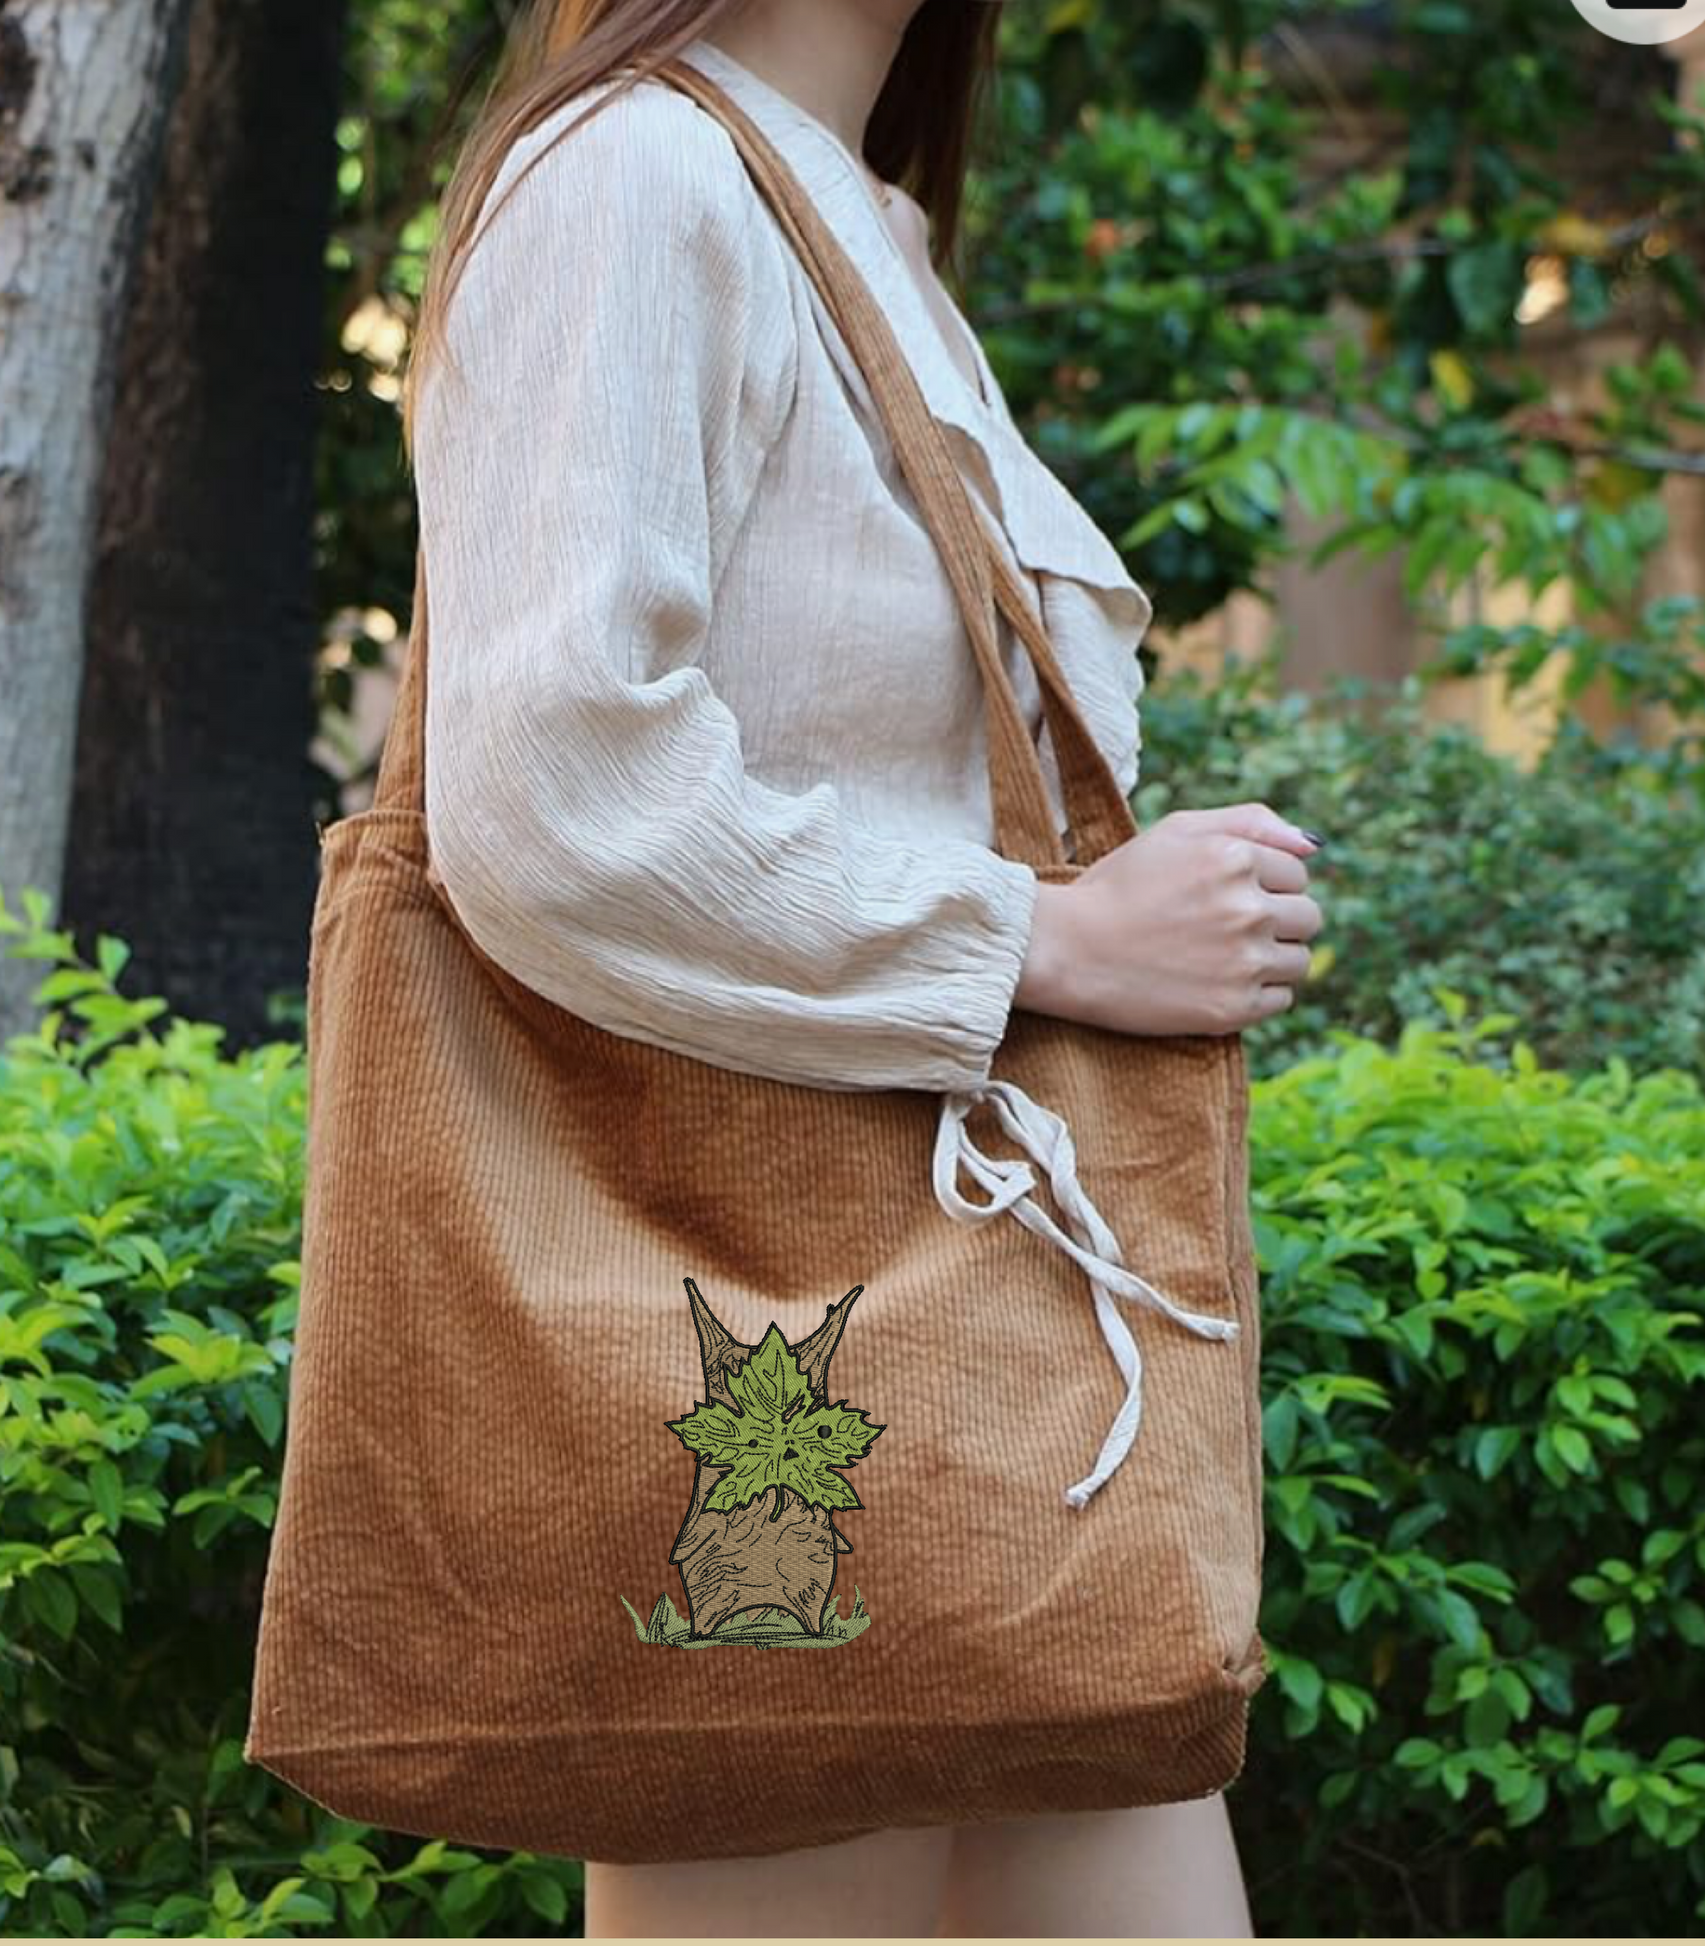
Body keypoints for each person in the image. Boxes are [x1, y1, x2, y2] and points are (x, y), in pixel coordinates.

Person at [401, 0, 1325, 1934]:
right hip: (743, 1288)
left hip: (981, 1361)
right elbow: (559, 788)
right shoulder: (638, 177)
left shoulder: (863, 220)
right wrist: (1046, 936)